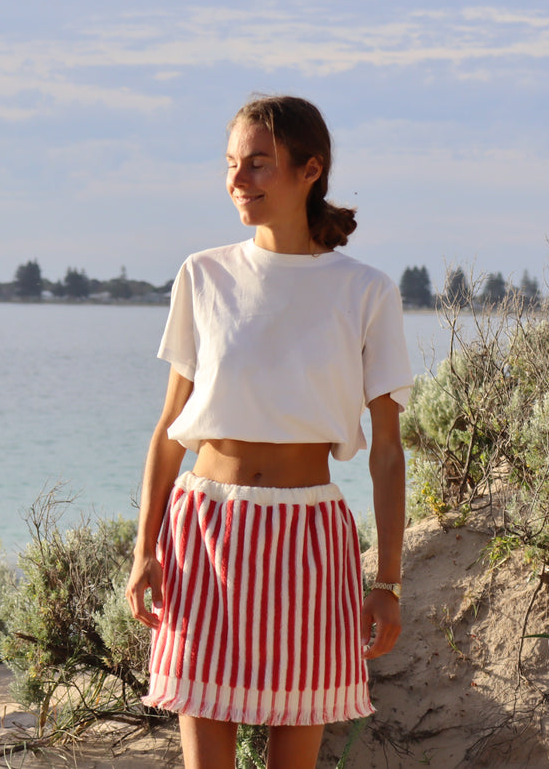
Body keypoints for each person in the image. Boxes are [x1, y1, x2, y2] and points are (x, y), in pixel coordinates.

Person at [125, 95, 412, 769]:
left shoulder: (365, 291)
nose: (237, 180)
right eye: (231, 164)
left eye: (258, 163)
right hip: (203, 532)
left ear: (310, 170)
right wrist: (144, 545)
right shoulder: (203, 274)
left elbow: (389, 452)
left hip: (308, 540)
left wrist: (390, 581)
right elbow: (170, 427)